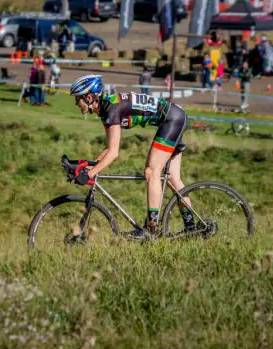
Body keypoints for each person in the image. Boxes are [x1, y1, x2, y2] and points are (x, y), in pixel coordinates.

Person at [69, 75, 193, 240]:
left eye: (78, 99)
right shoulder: (107, 107)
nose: (76, 104)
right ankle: (192, 227)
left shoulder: (110, 108)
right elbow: (109, 148)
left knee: (151, 172)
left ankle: (151, 229)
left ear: (89, 97)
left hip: (172, 120)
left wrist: (90, 174)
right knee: (172, 179)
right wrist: (91, 166)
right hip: (175, 117)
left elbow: (114, 153)